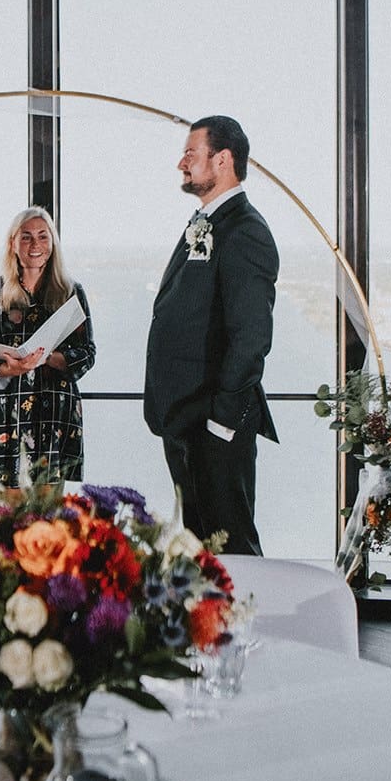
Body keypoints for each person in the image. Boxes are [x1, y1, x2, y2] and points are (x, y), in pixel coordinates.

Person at [143, 116, 279, 556]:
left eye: (190, 153)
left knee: (232, 547)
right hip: (186, 419)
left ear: (222, 160)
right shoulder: (207, 222)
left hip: (214, 426)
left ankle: (251, 607)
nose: (181, 163)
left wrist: (221, 423)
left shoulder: (246, 230)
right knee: (201, 547)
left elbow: (251, 337)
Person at [0, 207, 95, 488]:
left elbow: (87, 353)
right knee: (4, 508)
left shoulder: (71, 292)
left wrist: (47, 357)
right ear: (12, 243)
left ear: (52, 243)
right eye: (26, 237)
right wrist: (12, 367)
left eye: (42, 236)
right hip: (6, 410)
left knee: (48, 510)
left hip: (54, 410)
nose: (35, 244)